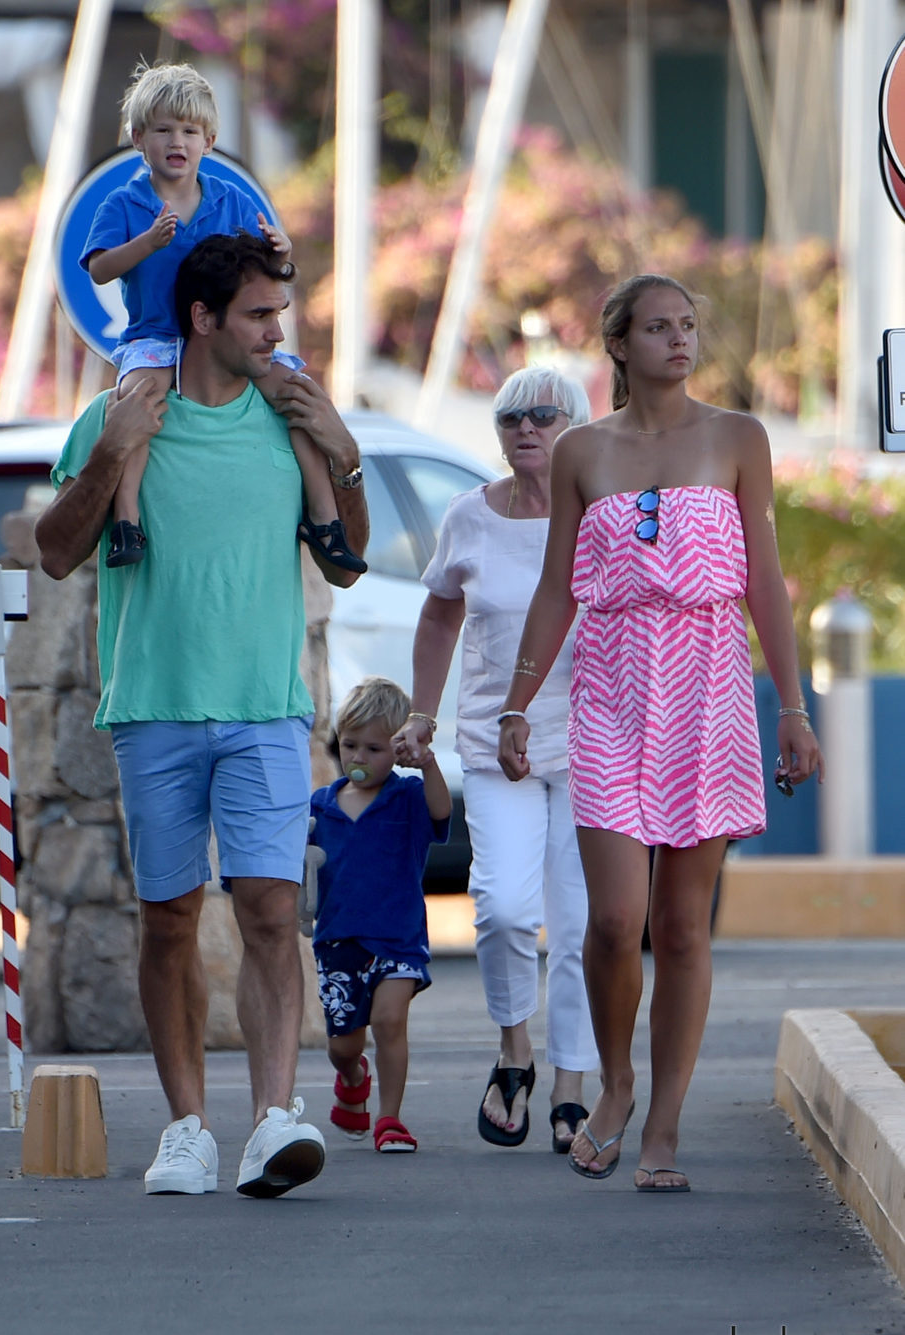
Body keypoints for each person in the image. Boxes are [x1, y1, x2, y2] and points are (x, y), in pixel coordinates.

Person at [34, 230, 369, 1200]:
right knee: (170, 919)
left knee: (269, 909)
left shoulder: (290, 416)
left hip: (265, 707)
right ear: (202, 317)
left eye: (280, 312)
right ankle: (186, 1127)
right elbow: (57, 551)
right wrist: (112, 453)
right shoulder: (120, 411)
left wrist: (342, 451)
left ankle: (274, 1118)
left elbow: (348, 556)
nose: (277, 331)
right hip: (156, 708)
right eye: (259, 314)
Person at [496, 274, 824, 1193]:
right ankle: (616, 1083)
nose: (679, 341)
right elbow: (557, 586)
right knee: (611, 922)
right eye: (658, 328)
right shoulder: (580, 453)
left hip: (709, 694)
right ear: (620, 345)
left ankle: (664, 1127)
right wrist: (517, 704)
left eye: (688, 327)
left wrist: (792, 708)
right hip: (608, 691)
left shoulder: (737, 438)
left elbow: (766, 583)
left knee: (682, 928)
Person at [392, 367, 599, 1153]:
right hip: (493, 742)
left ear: (575, 426)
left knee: (578, 924)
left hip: (591, 745)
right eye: (510, 417)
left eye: (543, 416)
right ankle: (516, 1053)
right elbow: (440, 617)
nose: (524, 429)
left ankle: (573, 1081)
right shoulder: (468, 517)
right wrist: (422, 712)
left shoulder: (602, 515)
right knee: (506, 908)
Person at [81, 60, 362, 575]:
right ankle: (127, 521)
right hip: (157, 334)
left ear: (208, 141)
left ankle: (324, 519)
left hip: (221, 338)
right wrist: (147, 243)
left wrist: (282, 250)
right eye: (163, 129)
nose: (177, 141)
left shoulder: (230, 200)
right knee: (140, 399)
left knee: (297, 393)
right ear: (139, 138)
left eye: (189, 131)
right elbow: (99, 269)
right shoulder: (123, 204)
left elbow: (262, 272)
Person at [308, 676, 451, 1154]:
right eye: (350, 745)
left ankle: (390, 1118)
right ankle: (353, 1077)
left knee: (390, 1021)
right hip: (338, 941)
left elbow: (441, 809)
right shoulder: (321, 808)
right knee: (342, 1047)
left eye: (373, 748)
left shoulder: (407, 797)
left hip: (396, 938)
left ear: (395, 752)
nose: (359, 758)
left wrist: (427, 762)